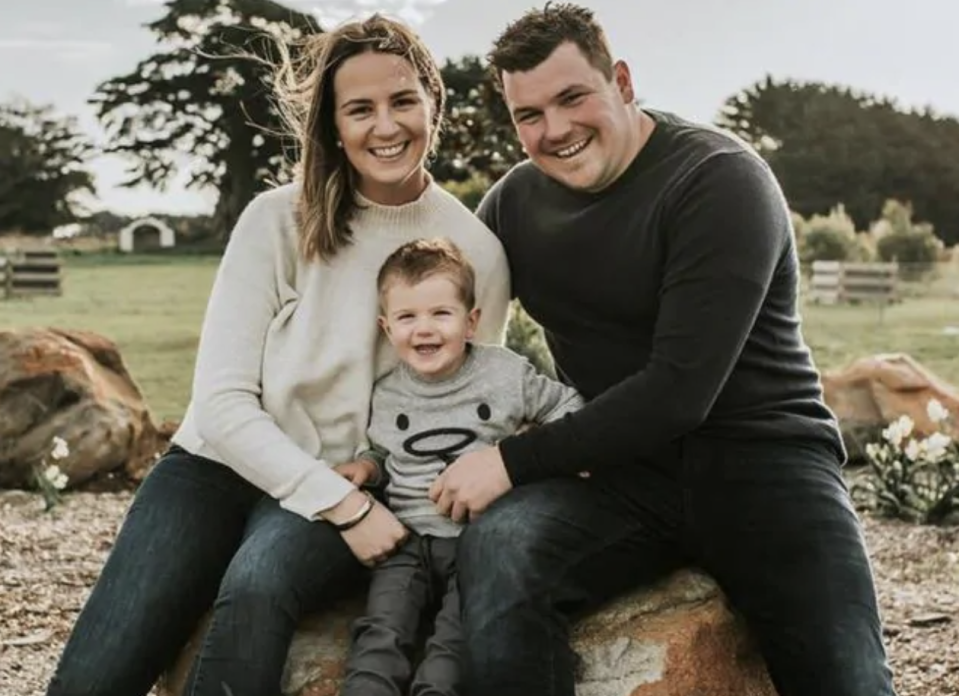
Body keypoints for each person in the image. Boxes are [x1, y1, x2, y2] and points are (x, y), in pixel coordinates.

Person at [428, 4, 898, 696]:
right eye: (528, 115)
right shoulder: (510, 206)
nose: (553, 130)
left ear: (619, 80)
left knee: (847, 678)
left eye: (571, 97)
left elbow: (678, 390)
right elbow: (439, 321)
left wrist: (511, 460)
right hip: (619, 479)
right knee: (499, 550)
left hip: (764, 467)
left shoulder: (718, 180)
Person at [45, 15, 510, 696]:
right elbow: (221, 404)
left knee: (258, 583)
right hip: (216, 466)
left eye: (402, 100)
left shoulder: (477, 252)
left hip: (348, 478)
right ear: (331, 123)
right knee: (99, 670)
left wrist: (367, 482)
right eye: (359, 109)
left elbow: (463, 406)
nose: (385, 126)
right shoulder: (276, 219)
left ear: (433, 102)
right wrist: (345, 510)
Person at [334, 237, 582, 696]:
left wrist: (527, 448)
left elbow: (569, 407)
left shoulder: (504, 374)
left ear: (470, 323)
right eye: (407, 317)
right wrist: (367, 470)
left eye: (440, 314)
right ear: (387, 329)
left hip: (475, 541)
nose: (423, 329)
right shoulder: (387, 393)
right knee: (381, 629)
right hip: (406, 542)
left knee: (454, 636)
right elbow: (390, 456)